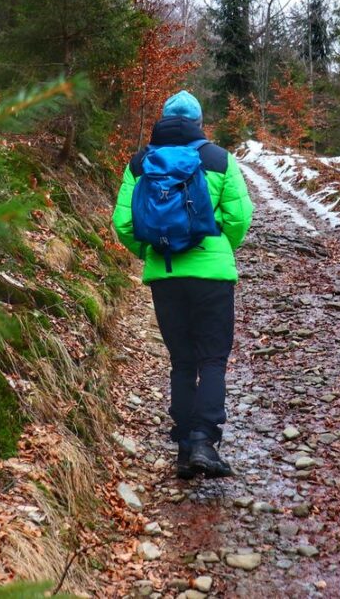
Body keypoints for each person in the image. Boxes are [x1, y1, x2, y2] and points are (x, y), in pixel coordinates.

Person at [112, 90, 254, 477]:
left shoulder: (141, 162)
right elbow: (240, 216)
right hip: (213, 275)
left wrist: (152, 252)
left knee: (182, 359)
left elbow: (124, 223)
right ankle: (205, 441)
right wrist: (221, 245)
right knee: (211, 357)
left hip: (166, 274)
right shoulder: (219, 158)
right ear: (199, 121)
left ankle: (184, 446)